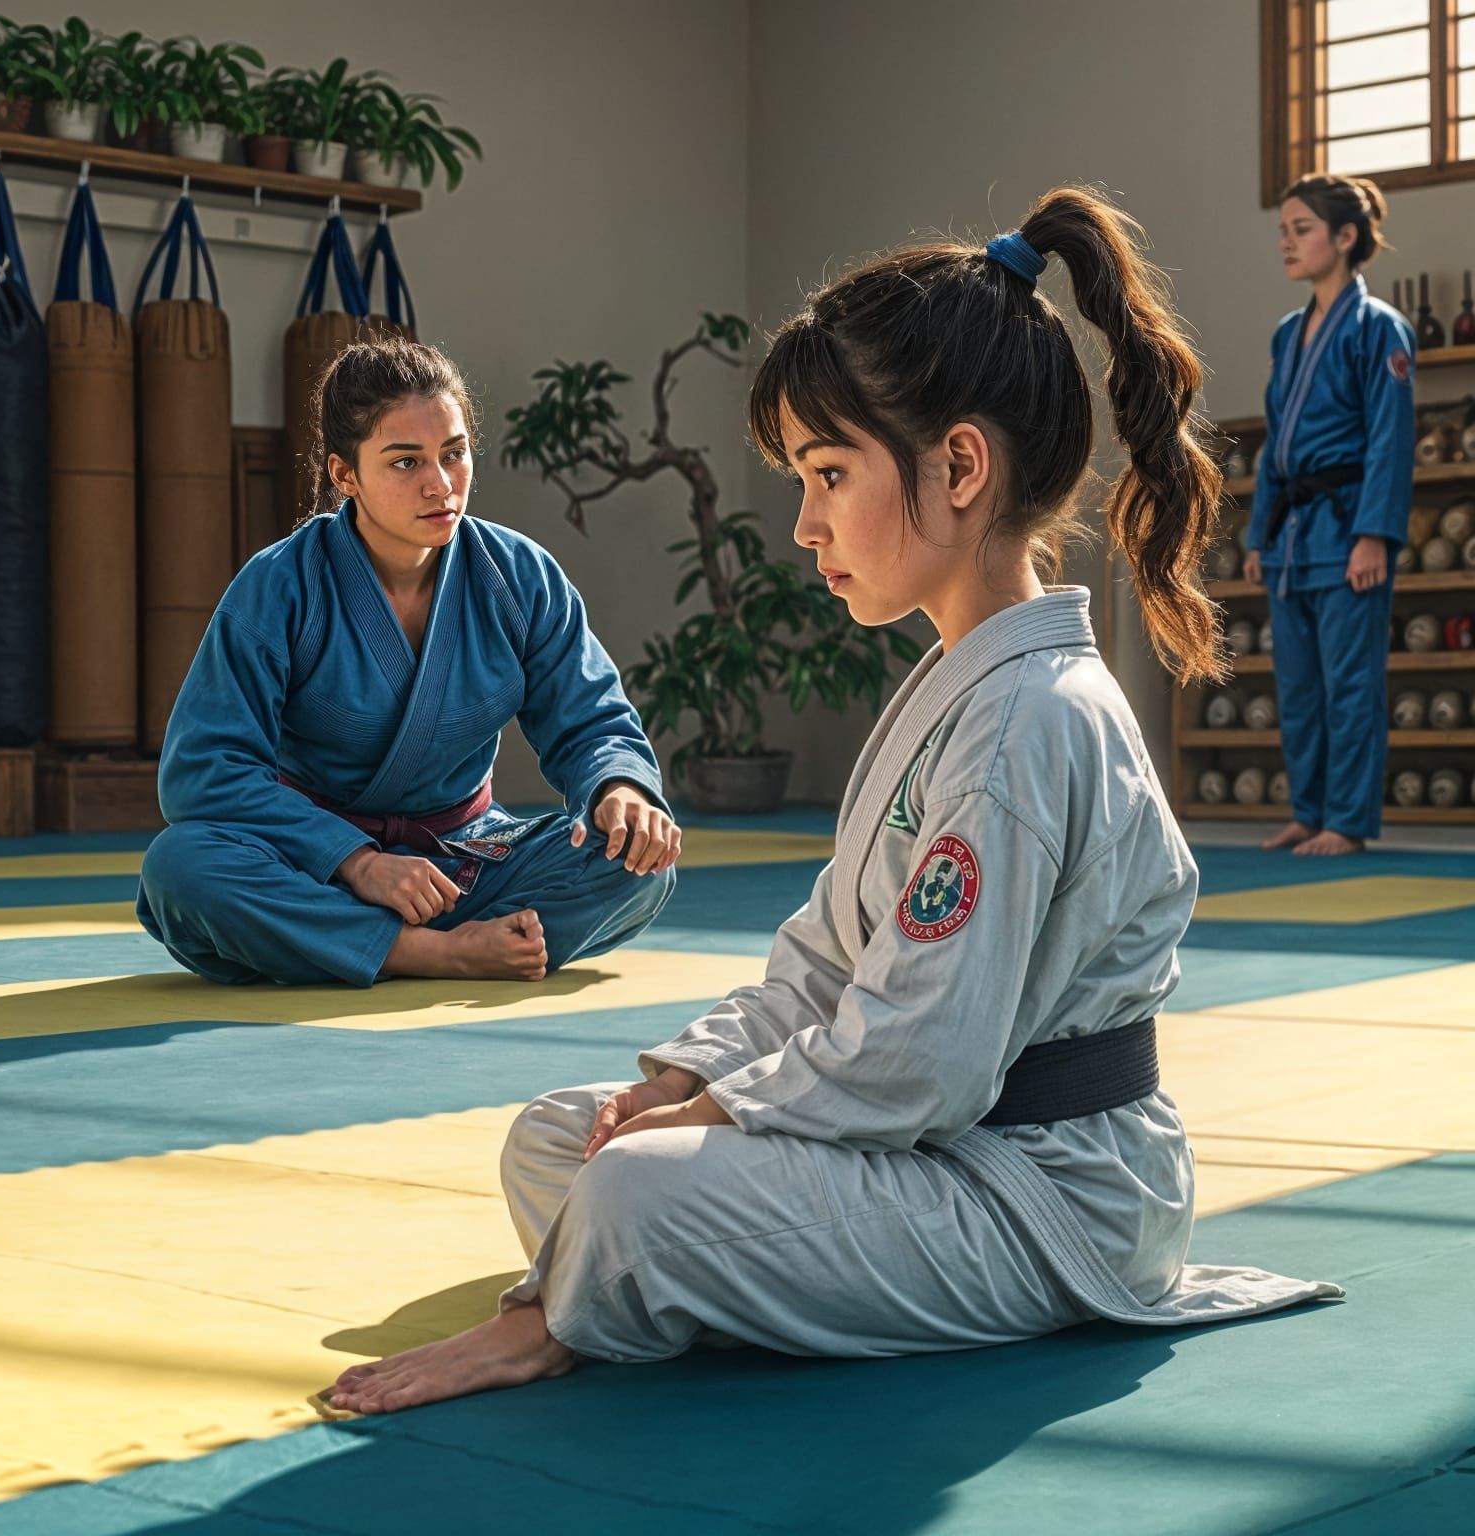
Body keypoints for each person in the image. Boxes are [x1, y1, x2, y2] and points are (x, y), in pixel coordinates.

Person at [325, 188, 1341, 1415]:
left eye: (827, 472)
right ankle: (650, 1268)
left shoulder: (1028, 720)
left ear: (959, 465)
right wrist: (679, 1081)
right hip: (941, 1150)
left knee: (633, 1194)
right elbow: (824, 966)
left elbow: (921, 1058)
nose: (805, 523)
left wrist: (715, 1120)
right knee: (563, 1136)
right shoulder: (956, 688)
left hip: (1040, 1193)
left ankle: (582, 1304)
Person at [137, 338, 680, 987]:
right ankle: (432, 953)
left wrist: (620, 789)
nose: (440, 484)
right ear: (345, 475)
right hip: (314, 862)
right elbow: (205, 772)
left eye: (454, 453)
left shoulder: (519, 577)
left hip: (463, 864)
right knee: (180, 868)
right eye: (405, 462)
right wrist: (357, 862)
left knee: (635, 863)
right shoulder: (280, 586)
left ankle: (343, 943)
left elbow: (590, 720)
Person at [1242, 174, 1415, 856]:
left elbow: (1391, 441)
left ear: (1345, 238)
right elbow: (1275, 443)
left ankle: (1346, 820)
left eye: (1302, 229)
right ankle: (1308, 811)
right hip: (1295, 534)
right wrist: (1260, 533)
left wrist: (1375, 535)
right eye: (1282, 229)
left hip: (1349, 533)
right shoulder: (1290, 335)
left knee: (1350, 684)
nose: (1286, 242)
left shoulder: (1381, 330)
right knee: (1299, 686)